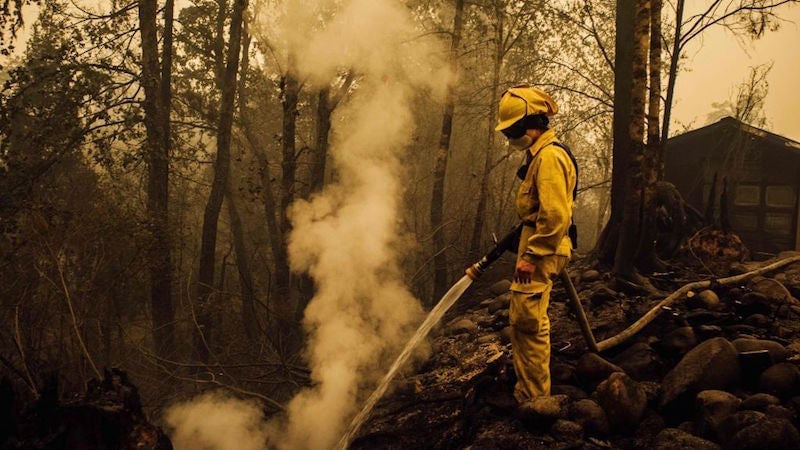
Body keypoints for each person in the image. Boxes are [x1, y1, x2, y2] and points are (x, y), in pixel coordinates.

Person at [494, 84, 577, 402]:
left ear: (532, 124)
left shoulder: (550, 158)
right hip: (537, 245)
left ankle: (533, 397)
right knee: (521, 314)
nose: (509, 138)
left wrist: (532, 255)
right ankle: (528, 389)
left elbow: (556, 217)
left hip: (542, 249)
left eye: (512, 131)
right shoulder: (540, 155)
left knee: (527, 320)